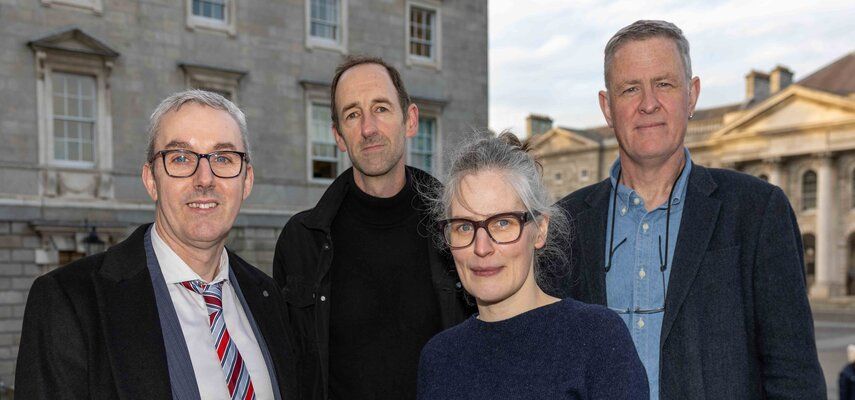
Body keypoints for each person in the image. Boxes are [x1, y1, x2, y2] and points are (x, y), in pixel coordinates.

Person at [556, 20, 825, 399]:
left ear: (692, 95)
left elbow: (795, 376)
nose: (648, 103)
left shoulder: (757, 210)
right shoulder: (564, 223)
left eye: (664, 84)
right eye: (630, 89)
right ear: (607, 107)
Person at [15, 90, 298, 400]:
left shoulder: (268, 297)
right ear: (151, 180)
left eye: (223, 158)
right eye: (181, 158)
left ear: (246, 181)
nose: (205, 179)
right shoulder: (69, 300)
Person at [272, 56, 471, 400]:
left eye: (381, 108)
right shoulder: (301, 241)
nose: (368, 128)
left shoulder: (458, 229)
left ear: (410, 120)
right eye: (352, 115)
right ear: (338, 135)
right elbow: (287, 370)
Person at [417, 132, 648, 400]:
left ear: (540, 230)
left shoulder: (597, 338)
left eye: (503, 223)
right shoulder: (439, 358)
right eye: (464, 227)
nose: (481, 247)